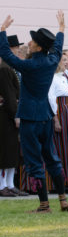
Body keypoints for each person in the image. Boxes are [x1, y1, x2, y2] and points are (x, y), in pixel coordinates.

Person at [0, 12, 68, 213]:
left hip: (31, 117)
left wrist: (2, 31)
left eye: (32, 41)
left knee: (34, 162)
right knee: (52, 158)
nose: (29, 43)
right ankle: (63, 199)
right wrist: (61, 30)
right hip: (46, 116)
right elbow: (57, 47)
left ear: (39, 47)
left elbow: (6, 54)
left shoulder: (29, 65)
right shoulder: (51, 60)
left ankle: (44, 204)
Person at [48, 54, 68, 188]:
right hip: (59, 112)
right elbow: (51, 99)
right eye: (63, 61)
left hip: (66, 112)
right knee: (59, 146)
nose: (65, 63)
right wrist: (56, 120)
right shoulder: (52, 78)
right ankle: (58, 183)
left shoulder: (63, 78)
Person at [0, 35, 23, 197]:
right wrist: (16, 115)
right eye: (16, 48)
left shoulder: (10, 67)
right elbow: (9, 96)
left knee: (12, 151)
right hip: (5, 115)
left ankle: (9, 183)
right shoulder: (5, 68)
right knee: (5, 151)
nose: (18, 51)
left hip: (11, 111)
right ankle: (3, 185)